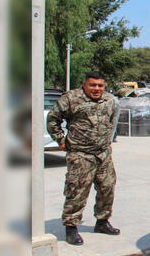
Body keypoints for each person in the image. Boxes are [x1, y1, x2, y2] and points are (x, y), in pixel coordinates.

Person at [46, 71, 121, 245]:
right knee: (77, 190)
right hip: (80, 154)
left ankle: (102, 222)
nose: (96, 89)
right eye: (92, 85)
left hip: (103, 153)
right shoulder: (71, 99)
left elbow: (111, 121)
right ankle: (71, 227)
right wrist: (60, 139)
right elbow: (53, 119)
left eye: (100, 85)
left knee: (107, 187)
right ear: (84, 84)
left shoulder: (109, 100)